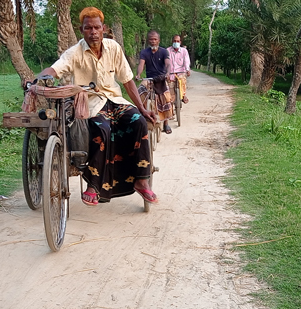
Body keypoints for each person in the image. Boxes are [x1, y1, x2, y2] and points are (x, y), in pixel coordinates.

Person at [36, 7, 159, 206]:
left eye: (96, 27)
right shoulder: (75, 52)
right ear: (81, 30)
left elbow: (127, 81)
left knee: (138, 122)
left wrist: (143, 109)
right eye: (88, 28)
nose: (93, 32)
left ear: (104, 29)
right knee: (101, 128)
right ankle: (93, 185)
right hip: (91, 102)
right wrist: (42, 77)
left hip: (115, 100)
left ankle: (141, 180)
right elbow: (55, 68)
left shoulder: (113, 48)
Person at [136, 30, 174, 134]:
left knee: (166, 98)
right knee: (139, 92)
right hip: (149, 80)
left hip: (161, 78)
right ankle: (143, 116)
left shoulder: (163, 52)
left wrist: (167, 73)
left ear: (159, 40)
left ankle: (166, 124)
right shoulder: (144, 52)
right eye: (151, 39)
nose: (153, 41)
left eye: (155, 39)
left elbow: (168, 64)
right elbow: (141, 65)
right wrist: (138, 74)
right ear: (148, 41)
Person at [168, 34, 191, 104]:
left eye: (177, 41)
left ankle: (183, 96)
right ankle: (171, 104)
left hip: (181, 72)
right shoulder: (167, 51)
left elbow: (186, 61)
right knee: (170, 89)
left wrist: (187, 69)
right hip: (171, 73)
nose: (176, 42)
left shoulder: (184, 51)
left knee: (182, 81)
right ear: (172, 41)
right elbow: (166, 62)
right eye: (174, 41)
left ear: (180, 42)